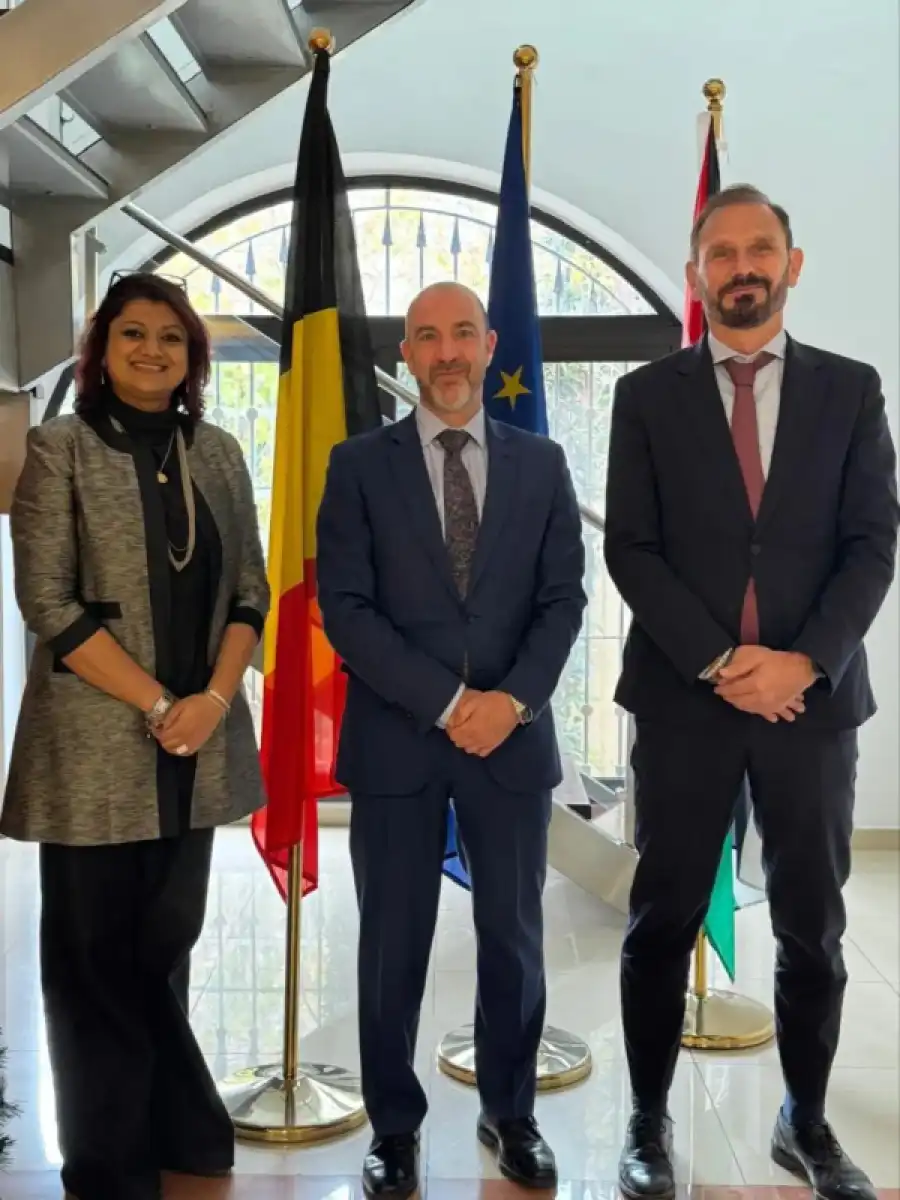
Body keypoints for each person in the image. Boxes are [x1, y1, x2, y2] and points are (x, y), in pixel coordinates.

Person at [605, 184, 899, 1200]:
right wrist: (723, 664)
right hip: (685, 703)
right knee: (662, 918)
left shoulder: (852, 391)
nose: (742, 267)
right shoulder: (646, 396)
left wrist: (803, 663)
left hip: (811, 709)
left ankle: (804, 1122)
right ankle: (647, 1122)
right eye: (721, 252)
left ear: (791, 263)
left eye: (759, 249)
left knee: (813, 927)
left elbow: (872, 544)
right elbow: (632, 549)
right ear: (697, 275)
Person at [0, 272, 270, 1200]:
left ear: (192, 356)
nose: (152, 350)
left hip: (198, 743)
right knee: (91, 962)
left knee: (162, 944)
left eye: (171, 337)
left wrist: (214, 701)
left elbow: (251, 591)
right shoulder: (60, 449)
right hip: (94, 751)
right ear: (102, 351)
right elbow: (47, 603)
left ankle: (175, 1123)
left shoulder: (219, 453)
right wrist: (162, 705)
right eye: (132, 334)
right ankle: (108, 1163)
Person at [316, 281, 586, 1196]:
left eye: (462, 333)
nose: (446, 353)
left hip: (511, 742)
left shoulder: (543, 463)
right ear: (406, 353)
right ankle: (394, 1129)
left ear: (489, 345)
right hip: (398, 743)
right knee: (393, 943)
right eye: (427, 336)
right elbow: (346, 609)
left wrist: (510, 703)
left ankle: (511, 1114)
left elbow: (564, 600)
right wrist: (447, 701)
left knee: (512, 937)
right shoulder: (358, 465)